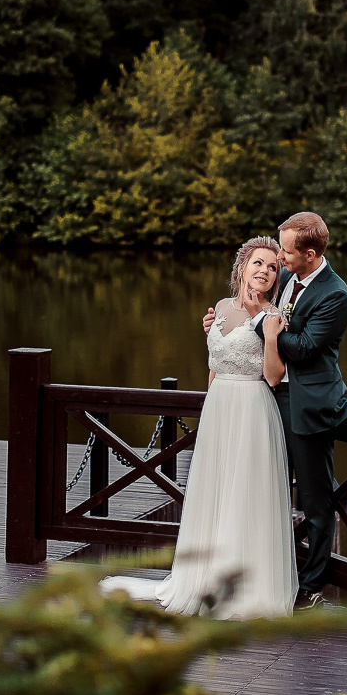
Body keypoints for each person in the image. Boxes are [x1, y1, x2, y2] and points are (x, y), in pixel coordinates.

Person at [99, 237, 298, 618]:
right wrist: (209, 410)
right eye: (259, 263)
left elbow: (273, 377)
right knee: (215, 491)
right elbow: (214, 363)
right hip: (219, 407)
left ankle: (246, 587)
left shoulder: (273, 316)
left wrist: (271, 338)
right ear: (242, 268)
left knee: (245, 496)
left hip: (253, 409)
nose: (266, 272)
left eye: (273, 268)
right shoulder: (221, 308)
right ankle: (204, 579)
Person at [204, 210, 347, 610]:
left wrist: (257, 323)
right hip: (266, 402)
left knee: (316, 502)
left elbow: (302, 349)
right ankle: (264, 572)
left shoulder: (335, 294)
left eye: (285, 252)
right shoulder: (286, 277)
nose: (278, 259)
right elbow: (255, 301)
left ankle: (312, 585)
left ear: (308, 253)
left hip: (308, 407)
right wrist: (224, 323)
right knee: (264, 491)